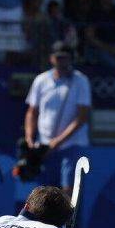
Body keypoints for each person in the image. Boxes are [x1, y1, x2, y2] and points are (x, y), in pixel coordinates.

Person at [24, 41, 91, 198]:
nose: (62, 61)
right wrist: (29, 137)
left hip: (72, 145)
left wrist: (57, 142)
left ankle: (64, 222)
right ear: (51, 59)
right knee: (44, 192)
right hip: (45, 146)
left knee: (68, 192)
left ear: (71, 59)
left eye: (65, 58)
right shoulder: (41, 80)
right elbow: (31, 112)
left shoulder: (81, 81)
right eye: (58, 57)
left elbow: (82, 118)